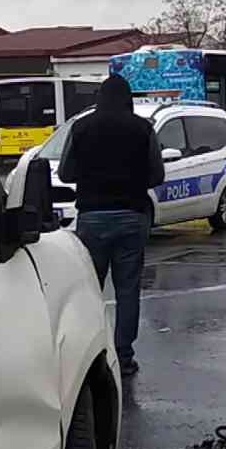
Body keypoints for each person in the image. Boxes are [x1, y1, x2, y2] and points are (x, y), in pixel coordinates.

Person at [57, 74, 164, 377]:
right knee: (128, 290)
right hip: (132, 215)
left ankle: (91, 356)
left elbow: (65, 173)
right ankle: (124, 356)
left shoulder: (81, 127)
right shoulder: (143, 128)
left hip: (92, 217)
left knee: (90, 289)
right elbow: (157, 175)